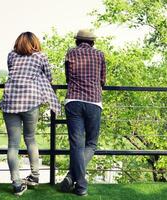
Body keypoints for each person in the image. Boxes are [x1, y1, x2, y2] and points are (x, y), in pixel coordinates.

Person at [0, 32, 61, 196]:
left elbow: (12, 72)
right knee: (30, 139)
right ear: (35, 43)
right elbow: (49, 77)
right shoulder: (41, 56)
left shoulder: (11, 55)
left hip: (10, 101)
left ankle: (17, 184)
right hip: (30, 102)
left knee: (13, 144)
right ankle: (34, 177)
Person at [60, 29, 106, 196]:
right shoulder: (99, 55)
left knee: (76, 145)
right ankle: (78, 182)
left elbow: (67, 78)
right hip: (93, 101)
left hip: (73, 100)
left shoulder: (70, 53)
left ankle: (74, 179)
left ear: (77, 41)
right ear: (92, 42)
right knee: (91, 144)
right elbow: (103, 80)